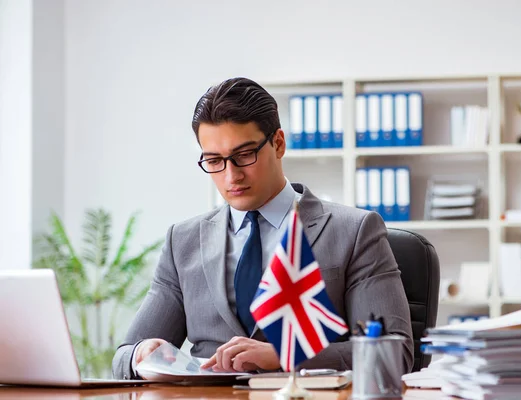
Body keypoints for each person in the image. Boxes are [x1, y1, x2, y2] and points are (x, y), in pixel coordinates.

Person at [112, 77, 413, 379]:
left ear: (278, 144)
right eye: (215, 160)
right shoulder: (183, 241)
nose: (231, 176)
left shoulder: (354, 230)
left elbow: (394, 353)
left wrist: (284, 356)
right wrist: (141, 353)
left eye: (244, 155)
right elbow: (123, 357)